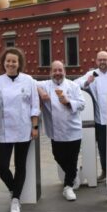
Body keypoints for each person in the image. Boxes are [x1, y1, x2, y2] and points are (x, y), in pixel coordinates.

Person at [0, 47, 40, 212]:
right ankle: (13, 189)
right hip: (4, 130)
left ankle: (15, 200)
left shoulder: (29, 80)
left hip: (23, 128)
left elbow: (34, 105)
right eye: (8, 61)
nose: (11, 64)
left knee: (20, 165)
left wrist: (35, 127)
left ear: (19, 64)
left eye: (14, 61)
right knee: (1, 166)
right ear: (3, 63)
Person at [36, 60, 85, 201]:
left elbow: (82, 104)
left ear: (64, 71)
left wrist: (68, 101)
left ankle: (68, 187)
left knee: (72, 159)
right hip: (56, 131)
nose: (57, 73)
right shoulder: (45, 85)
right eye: (55, 70)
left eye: (60, 70)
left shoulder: (73, 85)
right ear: (50, 72)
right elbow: (30, 82)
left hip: (73, 129)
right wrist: (41, 93)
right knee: (58, 156)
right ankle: (73, 175)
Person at [76, 51, 107, 182]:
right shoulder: (91, 74)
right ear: (96, 61)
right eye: (100, 60)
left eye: (105, 59)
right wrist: (87, 82)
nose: (102, 62)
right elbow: (75, 84)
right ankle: (105, 171)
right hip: (100, 120)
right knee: (102, 148)